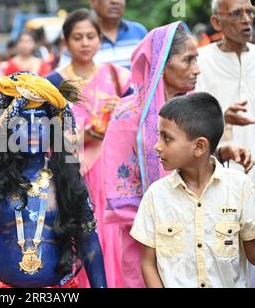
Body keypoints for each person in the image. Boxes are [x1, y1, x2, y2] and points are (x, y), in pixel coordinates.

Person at [103, 21, 254, 288]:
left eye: (197, 59)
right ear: (161, 65)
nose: (197, 69)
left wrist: (221, 151)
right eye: (188, 60)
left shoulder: (195, 103)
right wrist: (164, 216)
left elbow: (195, 153)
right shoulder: (129, 115)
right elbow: (118, 186)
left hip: (205, 228)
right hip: (145, 239)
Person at [0, 71, 107, 288]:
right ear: (7, 131)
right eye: (21, 123)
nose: (33, 130)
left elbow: (89, 243)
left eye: (41, 122)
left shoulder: (67, 181)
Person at [131, 93, 255, 288]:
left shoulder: (240, 188)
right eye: (158, 135)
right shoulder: (156, 196)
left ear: (199, 146)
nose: (157, 146)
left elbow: (252, 254)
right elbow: (148, 262)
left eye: (167, 138)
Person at [47, 8, 133, 288]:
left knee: (112, 235)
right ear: (66, 43)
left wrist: (119, 111)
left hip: (112, 172)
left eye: (91, 36)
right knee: (76, 237)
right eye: (77, 37)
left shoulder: (119, 77)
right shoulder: (54, 83)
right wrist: (84, 133)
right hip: (71, 171)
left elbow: (136, 121)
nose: (85, 43)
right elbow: (45, 134)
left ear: (99, 39)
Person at [195, 0, 255, 286]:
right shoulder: (200, 61)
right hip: (221, 175)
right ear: (216, 22)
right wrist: (221, 117)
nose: (247, 20)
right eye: (236, 14)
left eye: (249, 12)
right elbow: (191, 119)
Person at [58, 0, 147, 69]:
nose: (115, 0)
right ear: (92, 0)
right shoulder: (79, 39)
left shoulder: (140, 33)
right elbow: (66, 78)